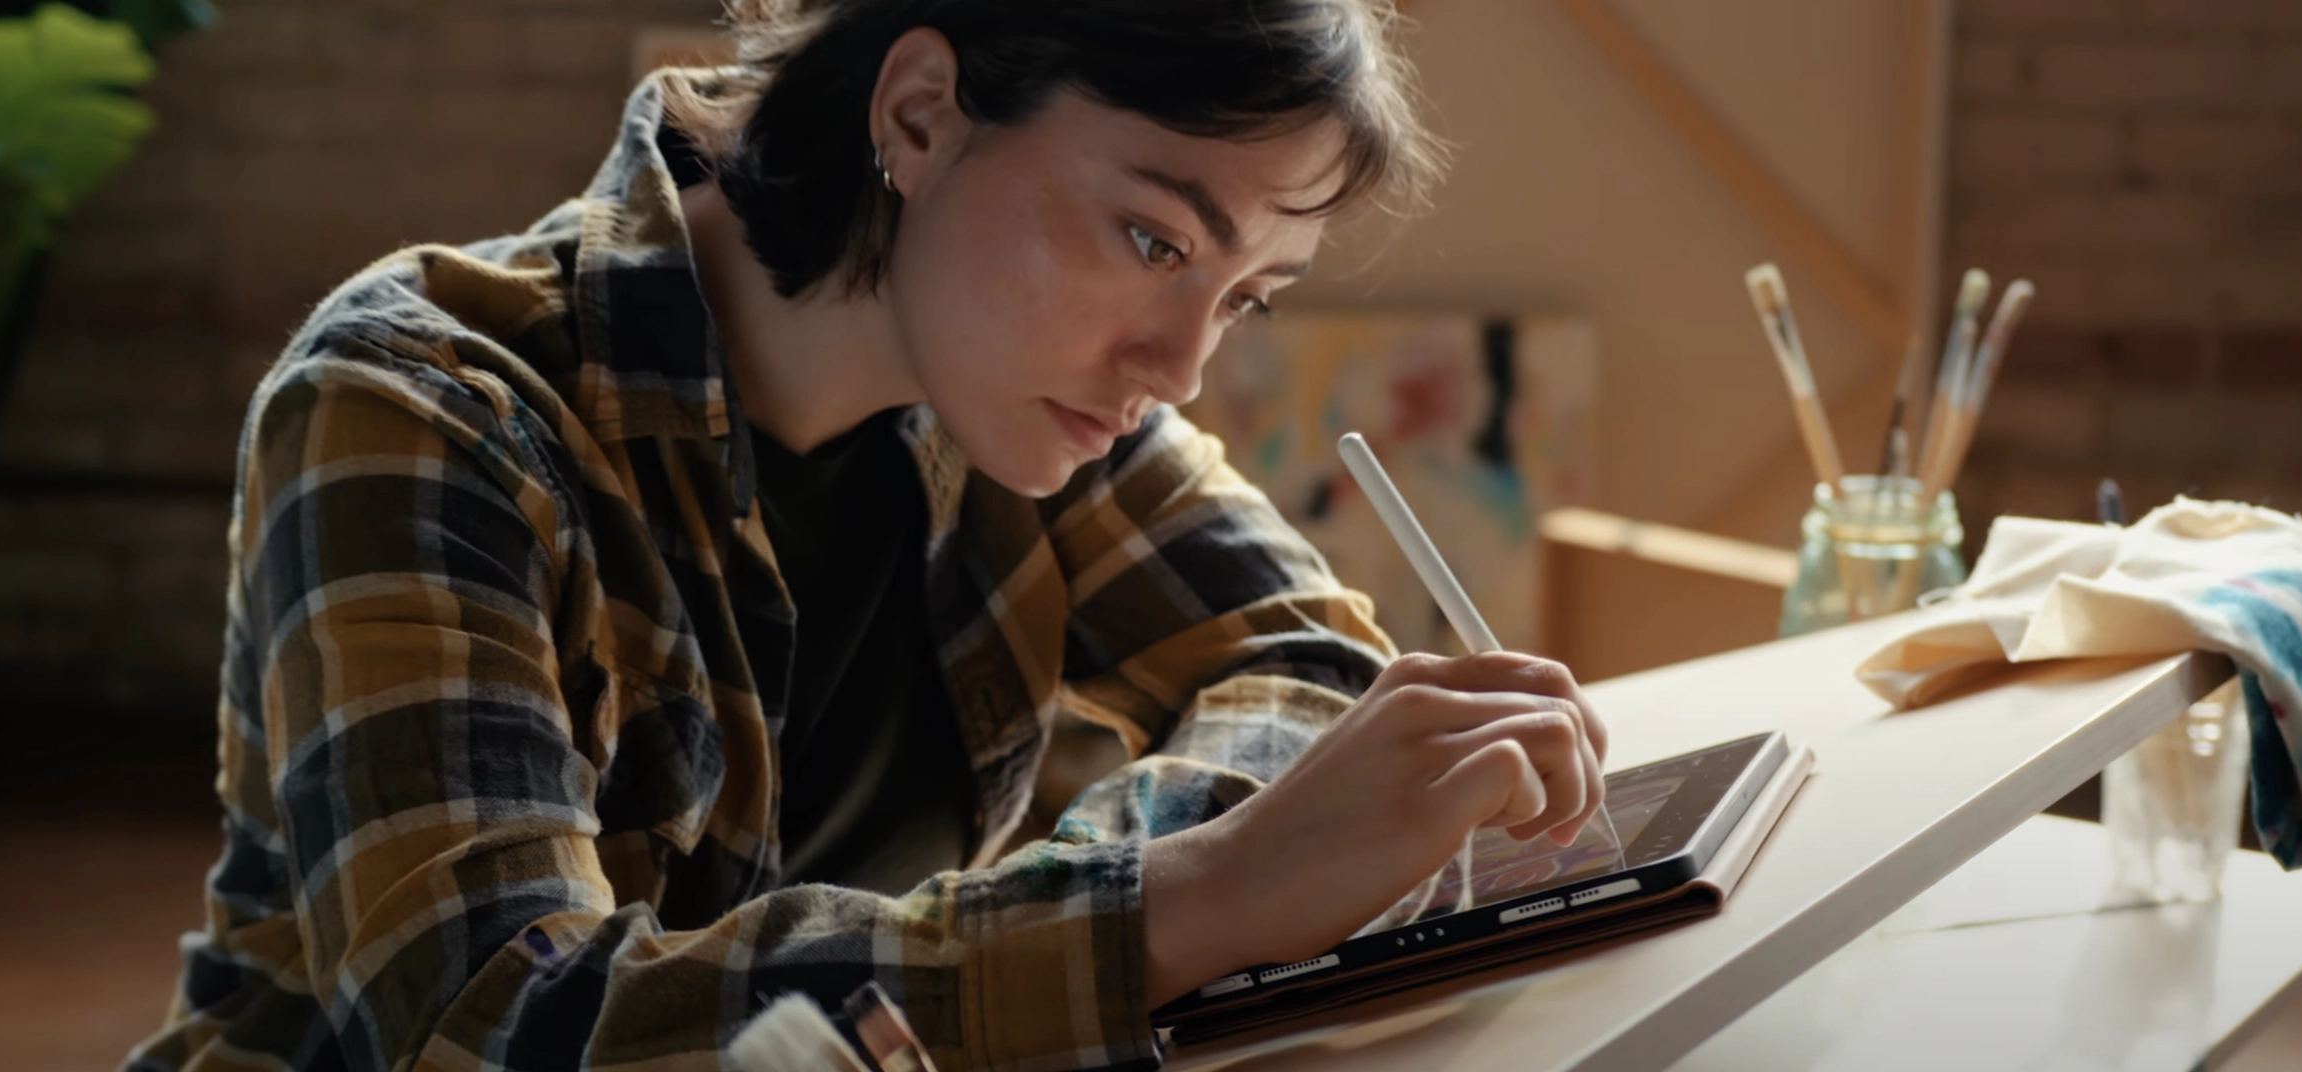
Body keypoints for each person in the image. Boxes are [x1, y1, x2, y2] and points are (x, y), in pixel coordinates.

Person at [126, 1, 1611, 1069]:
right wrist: (1178, 904)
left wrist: (1120, 898)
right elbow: (486, 1020)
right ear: (917, 113)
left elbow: (1302, 663)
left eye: (1245, 294)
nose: (1180, 368)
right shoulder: (423, 407)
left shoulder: (1039, 407)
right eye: (1155, 240)